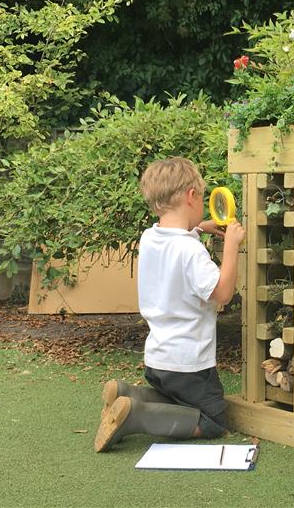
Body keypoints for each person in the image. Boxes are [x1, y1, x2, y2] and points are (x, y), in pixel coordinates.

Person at [94, 157, 245, 452]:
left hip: (158, 360)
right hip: (189, 364)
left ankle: (127, 394)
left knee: (178, 401)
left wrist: (200, 227)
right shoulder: (191, 252)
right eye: (201, 198)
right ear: (191, 196)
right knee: (213, 421)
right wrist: (231, 247)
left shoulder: (150, 237)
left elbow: (175, 236)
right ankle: (135, 415)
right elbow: (222, 293)